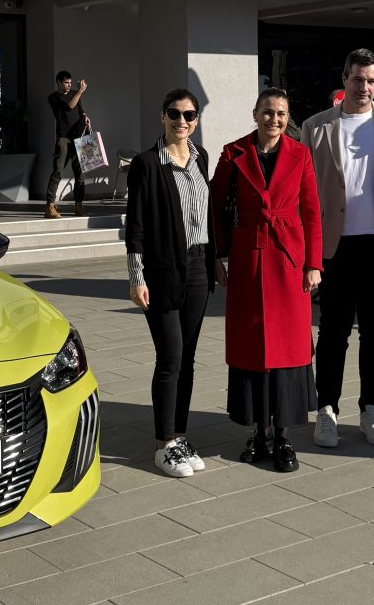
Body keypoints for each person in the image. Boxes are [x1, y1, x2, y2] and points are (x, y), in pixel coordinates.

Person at [300, 48, 374, 449]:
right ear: (344, 79)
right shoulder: (316, 126)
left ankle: (371, 408)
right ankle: (326, 409)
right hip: (333, 247)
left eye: (371, 80)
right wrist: (307, 252)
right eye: (357, 79)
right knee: (332, 331)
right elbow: (304, 194)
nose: (364, 87)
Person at [211, 88, 322, 472]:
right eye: (267, 112)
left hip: (289, 259)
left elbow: (312, 211)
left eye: (280, 113)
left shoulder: (300, 154)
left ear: (287, 118)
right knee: (252, 345)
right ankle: (259, 432)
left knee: (289, 348)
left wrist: (313, 263)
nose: (274, 119)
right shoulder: (234, 152)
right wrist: (219, 255)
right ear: (255, 113)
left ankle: (284, 437)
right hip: (248, 259)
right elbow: (216, 207)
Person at [124, 88, 217, 478]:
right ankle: (164, 445)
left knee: (188, 359)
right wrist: (137, 276)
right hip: (162, 271)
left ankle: (179, 436)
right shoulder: (147, 163)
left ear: (196, 120)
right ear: (162, 116)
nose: (182, 121)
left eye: (189, 115)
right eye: (175, 114)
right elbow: (135, 225)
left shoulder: (201, 157)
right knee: (171, 357)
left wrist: (216, 262)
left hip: (198, 267)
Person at [46, 70, 90, 219]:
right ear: (59, 82)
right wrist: (80, 91)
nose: (69, 85)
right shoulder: (53, 97)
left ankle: (79, 206)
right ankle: (50, 206)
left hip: (78, 137)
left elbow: (80, 110)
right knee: (57, 172)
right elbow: (69, 107)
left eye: (70, 83)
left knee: (80, 173)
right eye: (66, 83)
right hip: (63, 138)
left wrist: (85, 117)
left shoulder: (74, 94)